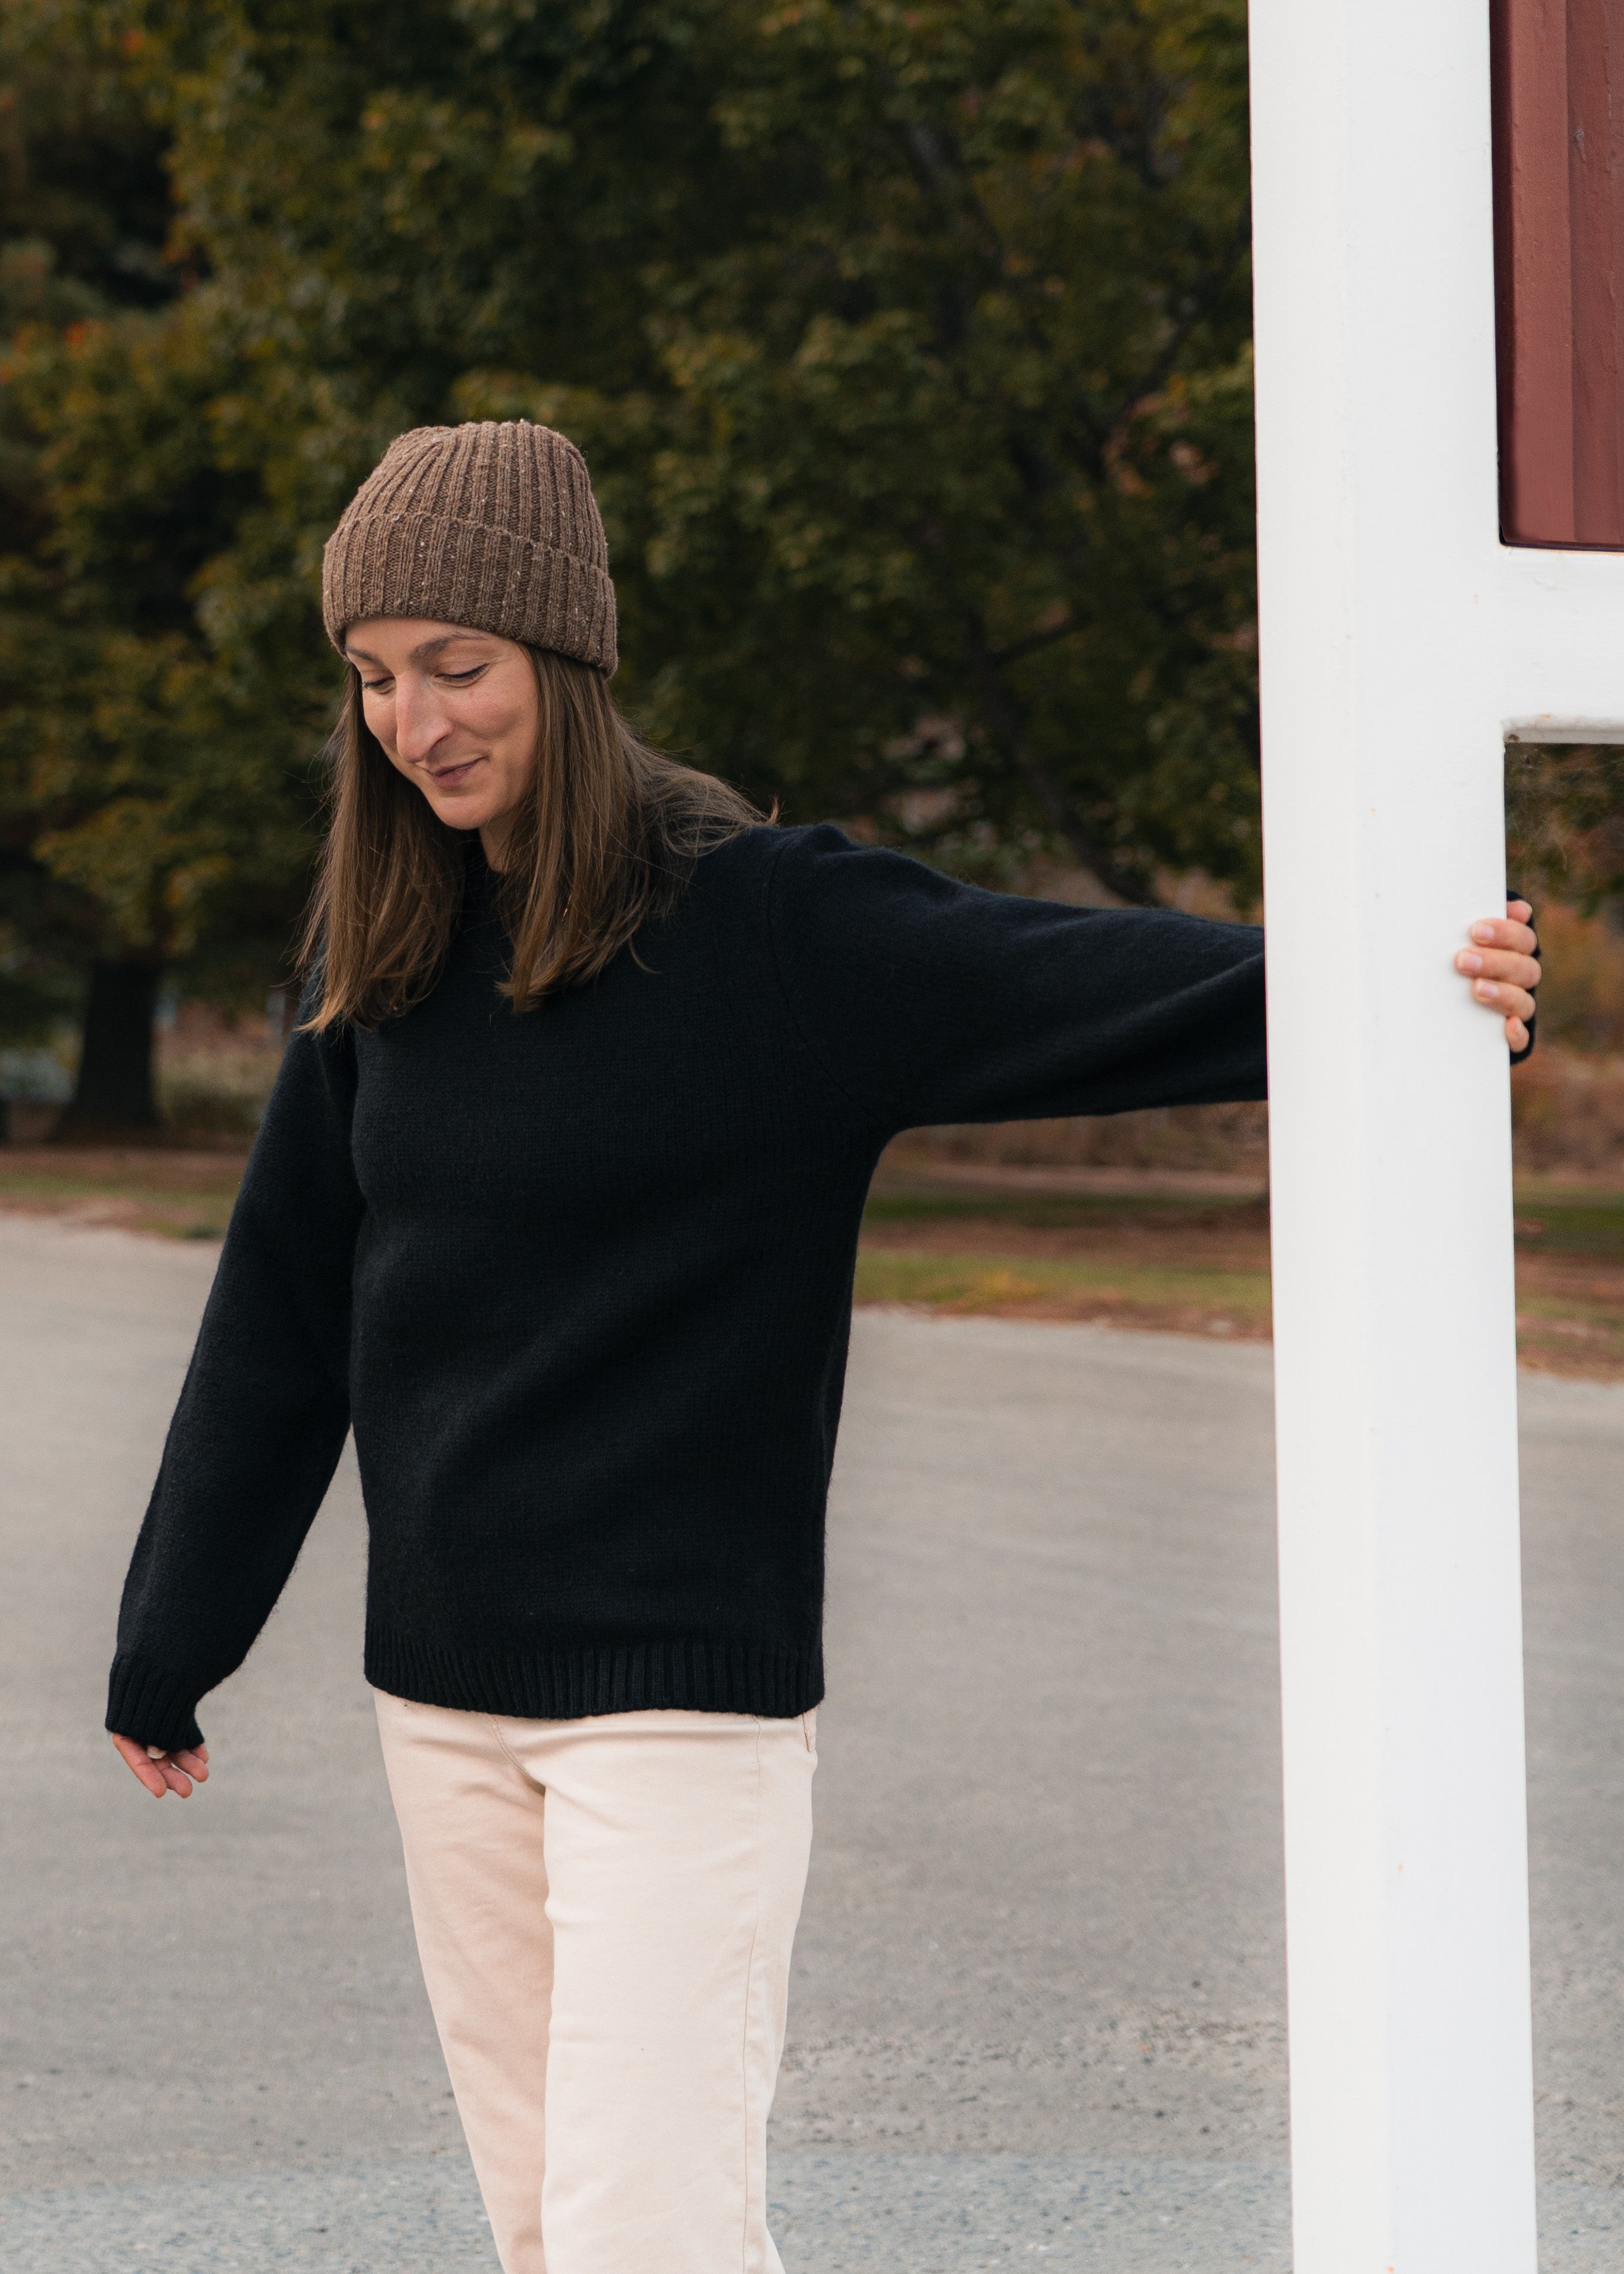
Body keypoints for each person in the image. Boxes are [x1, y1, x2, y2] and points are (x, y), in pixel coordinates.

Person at [103, 420, 1541, 2274]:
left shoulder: (773, 928)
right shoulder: (384, 953)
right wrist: (174, 1635)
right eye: (376, 678)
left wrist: (1428, 994)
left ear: (566, 652)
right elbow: (283, 1312)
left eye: (457, 665)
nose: (415, 721)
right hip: (441, 1702)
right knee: (546, 2229)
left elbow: (1102, 989)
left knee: (653, 2237)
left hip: (679, 1711)